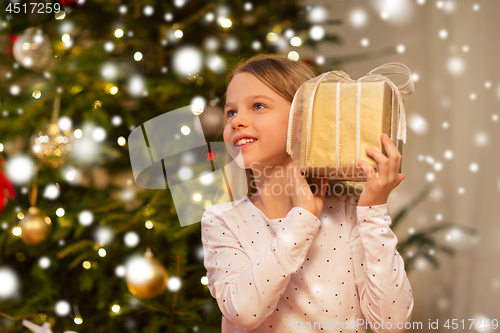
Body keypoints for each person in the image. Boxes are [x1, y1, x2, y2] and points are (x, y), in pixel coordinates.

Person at [201, 54, 413, 332]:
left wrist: (373, 212)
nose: (237, 121)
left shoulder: (349, 217)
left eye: (258, 106)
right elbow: (243, 311)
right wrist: (301, 220)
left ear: (303, 121)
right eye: (231, 112)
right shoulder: (222, 220)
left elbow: (392, 323)